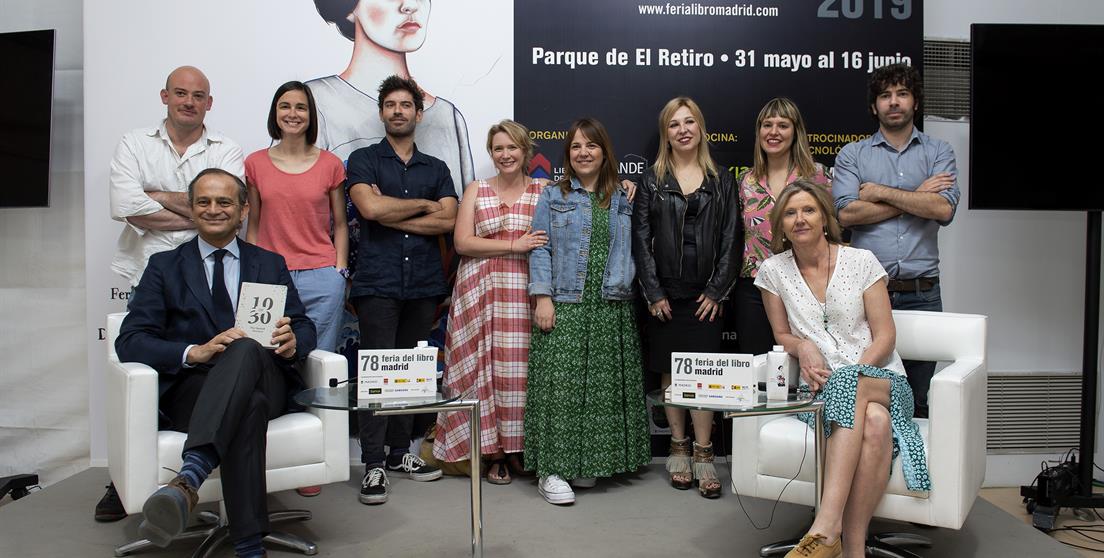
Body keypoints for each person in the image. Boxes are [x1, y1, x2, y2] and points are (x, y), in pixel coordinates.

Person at [115, 168, 317, 558]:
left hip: (266, 377)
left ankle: (189, 476)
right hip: (195, 389)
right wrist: (195, 351)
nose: (213, 209)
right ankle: (249, 545)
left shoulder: (269, 263)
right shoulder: (164, 266)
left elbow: (304, 325)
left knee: (245, 348)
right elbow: (130, 341)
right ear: (191, 209)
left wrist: (294, 343)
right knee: (248, 405)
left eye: (224, 202)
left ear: (243, 210)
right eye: (203, 202)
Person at [99, 65, 244, 523]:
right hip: (149, 272)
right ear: (165, 96)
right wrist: (198, 212)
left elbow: (227, 206)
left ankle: (191, 474)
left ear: (209, 103)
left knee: (218, 363)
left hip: (211, 271)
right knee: (146, 373)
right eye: (180, 93)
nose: (188, 102)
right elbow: (126, 206)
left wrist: (157, 196)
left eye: (198, 96)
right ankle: (125, 480)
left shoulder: (226, 149)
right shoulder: (135, 143)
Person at [755, 180, 929, 558]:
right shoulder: (772, 271)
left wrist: (853, 376)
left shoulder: (861, 261)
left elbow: (885, 337)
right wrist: (803, 346)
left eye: (809, 210)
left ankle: (825, 527)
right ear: (780, 224)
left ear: (825, 218)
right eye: (790, 213)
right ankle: (853, 550)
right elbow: (782, 334)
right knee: (875, 423)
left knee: (856, 388)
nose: (800, 219)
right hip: (819, 390)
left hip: (883, 380)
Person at [526, 117, 650, 505]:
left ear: (604, 152)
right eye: (576, 146)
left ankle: (584, 463)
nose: (583, 152)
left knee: (599, 390)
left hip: (610, 304)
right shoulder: (553, 195)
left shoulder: (623, 196)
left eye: (591, 145)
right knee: (561, 389)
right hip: (566, 302)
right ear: (568, 154)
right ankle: (552, 470)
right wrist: (542, 296)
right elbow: (540, 248)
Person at [345, 75, 456, 504]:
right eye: (390, 104)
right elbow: (369, 207)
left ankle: (398, 453)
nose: (397, 111)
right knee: (376, 374)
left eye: (405, 105)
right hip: (378, 282)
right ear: (381, 112)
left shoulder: (437, 168)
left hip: (423, 284)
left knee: (410, 373)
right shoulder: (363, 159)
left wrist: (391, 212)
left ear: (418, 114)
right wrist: (424, 205)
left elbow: (449, 219)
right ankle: (373, 462)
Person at [832, 63, 960, 419]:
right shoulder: (853, 154)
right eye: (885, 96)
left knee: (918, 400)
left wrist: (880, 192)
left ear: (915, 102)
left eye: (902, 94)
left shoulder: (939, 152)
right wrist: (918, 194)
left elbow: (942, 209)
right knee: (864, 395)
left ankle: (913, 459)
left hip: (922, 293)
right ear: (874, 106)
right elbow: (847, 214)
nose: (893, 102)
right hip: (865, 294)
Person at [632, 97, 741, 499]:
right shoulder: (652, 180)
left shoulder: (722, 179)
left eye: (689, 122)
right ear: (666, 134)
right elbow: (640, 240)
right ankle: (678, 449)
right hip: (665, 295)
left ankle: (704, 454)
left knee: (704, 376)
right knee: (670, 372)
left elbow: (732, 238)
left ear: (700, 128)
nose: (683, 130)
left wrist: (717, 289)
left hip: (706, 296)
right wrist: (653, 291)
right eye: (674, 124)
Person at [432, 120, 548, 484]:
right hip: (477, 292)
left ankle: (516, 449)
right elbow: (462, 243)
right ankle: (491, 452)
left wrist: (625, 185)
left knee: (518, 372)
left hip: (524, 291)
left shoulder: (544, 189)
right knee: (480, 370)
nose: (505, 154)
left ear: (526, 150)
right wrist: (515, 244)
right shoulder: (476, 189)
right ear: (491, 153)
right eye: (498, 148)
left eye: (512, 147)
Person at [308, 0, 473, 188]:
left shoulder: (447, 116)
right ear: (348, 8)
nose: (410, 5)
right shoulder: (316, 102)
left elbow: (462, 203)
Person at [245, 81, 348, 354]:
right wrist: (252, 270)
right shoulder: (254, 164)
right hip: (268, 273)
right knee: (267, 353)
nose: (293, 114)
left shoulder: (331, 164)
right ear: (275, 113)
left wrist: (339, 271)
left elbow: (340, 224)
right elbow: (253, 222)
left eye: (301, 107)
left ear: (311, 114)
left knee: (320, 358)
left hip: (321, 275)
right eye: (285, 106)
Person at [736, 98, 832, 357]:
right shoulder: (745, 181)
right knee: (757, 365)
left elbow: (834, 226)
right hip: (755, 288)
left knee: (806, 362)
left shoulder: (818, 176)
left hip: (805, 283)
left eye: (783, 125)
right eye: (767, 125)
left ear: (795, 131)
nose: (774, 132)